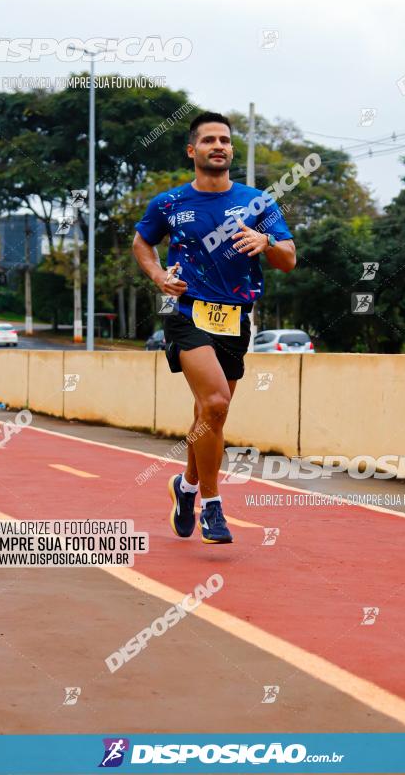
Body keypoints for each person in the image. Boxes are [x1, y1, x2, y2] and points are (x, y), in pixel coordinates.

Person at [133, 112, 296, 543]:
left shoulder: (258, 202)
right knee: (217, 402)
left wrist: (267, 243)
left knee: (210, 415)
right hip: (185, 310)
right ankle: (212, 505)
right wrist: (157, 276)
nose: (218, 145)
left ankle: (184, 487)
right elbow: (142, 242)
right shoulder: (169, 204)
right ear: (193, 151)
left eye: (224, 140)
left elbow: (289, 258)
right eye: (209, 140)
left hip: (234, 317)